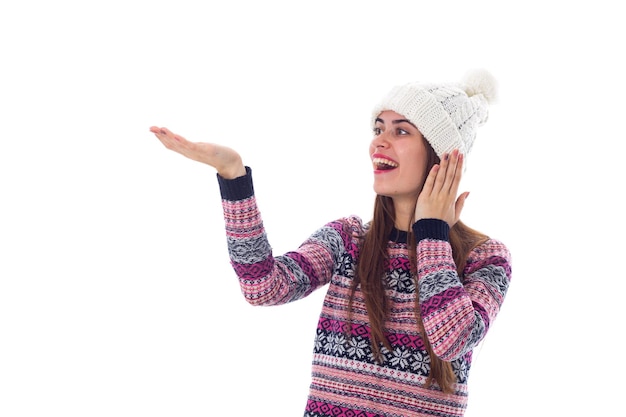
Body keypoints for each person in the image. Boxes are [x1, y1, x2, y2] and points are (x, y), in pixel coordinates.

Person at [149, 69, 512, 417]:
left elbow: (452, 340)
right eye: (378, 128)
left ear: (443, 158)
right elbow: (263, 287)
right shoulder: (349, 238)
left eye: (401, 131)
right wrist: (233, 176)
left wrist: (432, 230)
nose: (379, 142)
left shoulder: (486, 258)